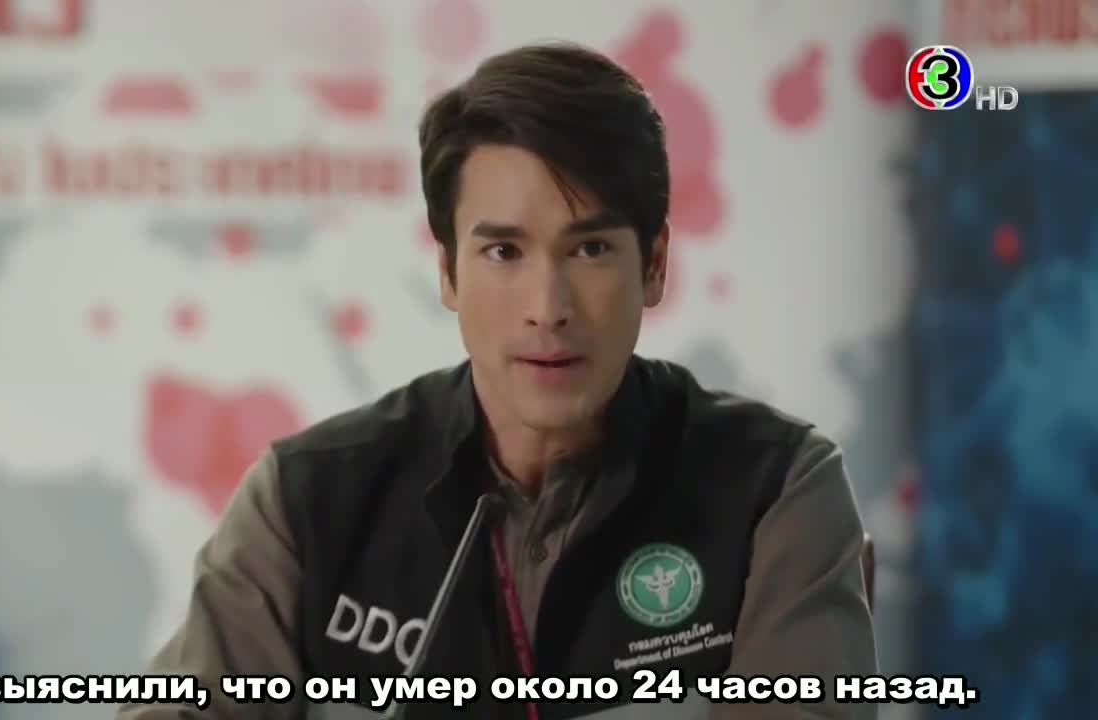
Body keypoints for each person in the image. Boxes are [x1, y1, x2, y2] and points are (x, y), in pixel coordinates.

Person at [117, 41, 877, 720]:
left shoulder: (776, 489)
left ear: (653, 265)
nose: (548, 307)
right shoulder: (307, 498)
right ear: (448, 272)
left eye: (589, 250)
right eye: (504, 252)